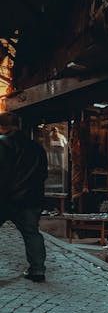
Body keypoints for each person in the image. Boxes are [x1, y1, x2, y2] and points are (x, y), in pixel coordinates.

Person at [0, 112, 49, 282]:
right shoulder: (36, 147)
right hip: (31, 199)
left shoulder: (2, 144)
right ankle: (37, 270)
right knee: (31, 234)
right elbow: (44, 174)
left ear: (2, 127)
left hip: (5, 199)